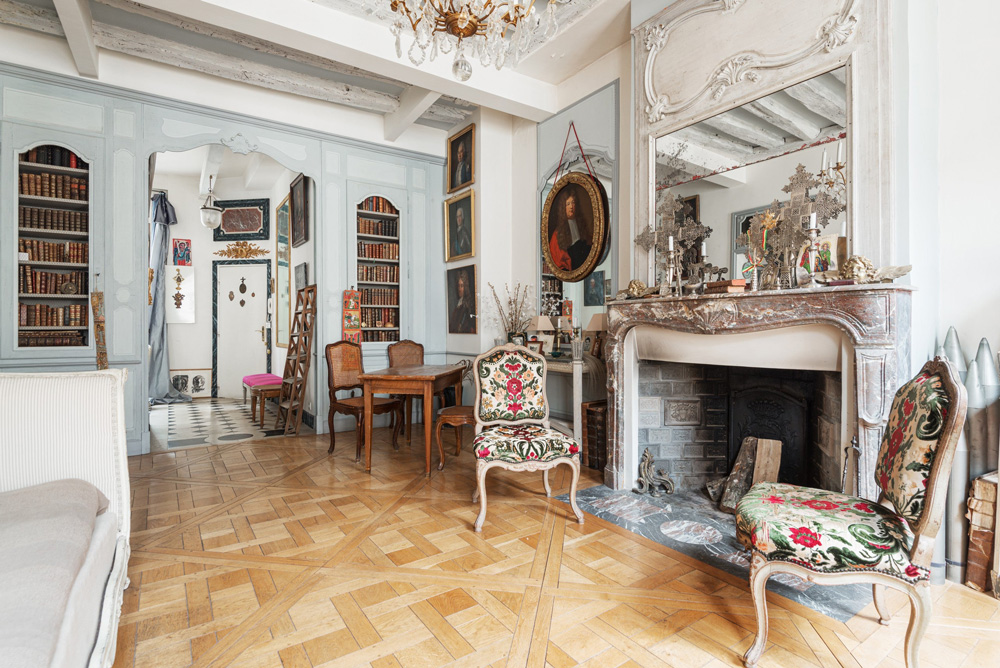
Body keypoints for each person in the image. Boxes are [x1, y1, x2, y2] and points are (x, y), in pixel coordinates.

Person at [549, 192, 591, 272]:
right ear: (563, 208)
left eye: (573, 203)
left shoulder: (581, 225)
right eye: (568, 204)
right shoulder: (558, 232)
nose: (571, 206)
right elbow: (557, 258)